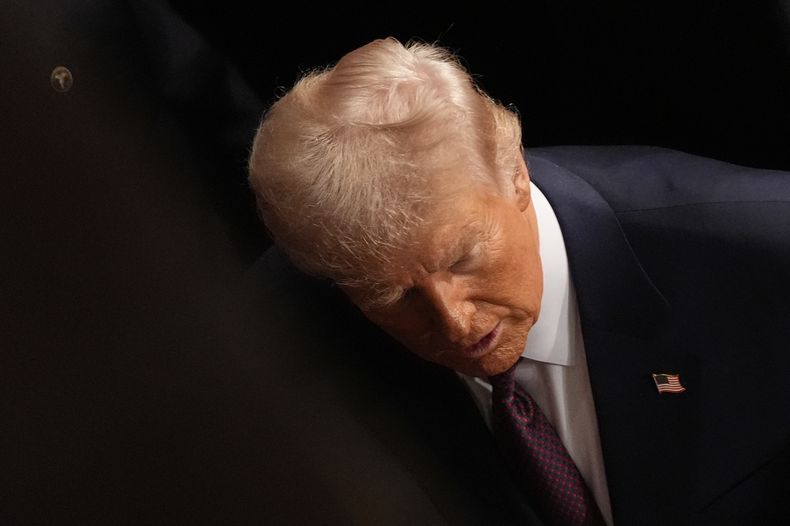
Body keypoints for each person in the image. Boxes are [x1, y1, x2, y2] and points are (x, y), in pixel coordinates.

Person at [247, 37, 790, 525]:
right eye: (391, 294)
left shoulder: (764, 249)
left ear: (515, 173)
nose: (453, 321)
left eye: (462, 258)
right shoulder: (273, 345)